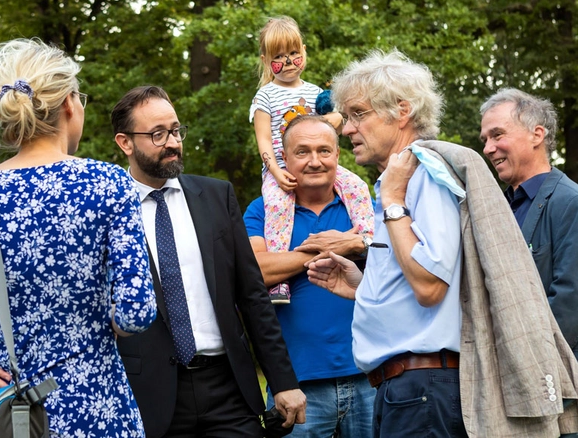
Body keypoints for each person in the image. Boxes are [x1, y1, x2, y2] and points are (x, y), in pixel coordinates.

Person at [307, 50, 578, 437]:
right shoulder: (398, 180)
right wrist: (362, 288)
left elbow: (430, 286)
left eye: (358, 114)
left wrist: (394, 205)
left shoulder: (425, 175)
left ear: (401, 111)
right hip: (406, 391)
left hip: (422, 393)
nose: (346, 129)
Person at [0, 38, 157, 436]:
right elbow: (136, 312)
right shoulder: (107, 183)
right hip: (96, 406)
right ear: (69, 105)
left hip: (4, 414)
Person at [112, 86, 306, 438]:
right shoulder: (109, 209)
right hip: (149, 397)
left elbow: (252, 297)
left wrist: (282, 381)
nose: (172, 142)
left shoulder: (217, 196)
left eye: (175, 130)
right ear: (125, 142)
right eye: (158, 134)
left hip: (228, 389)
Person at [243, 115, 375, 437]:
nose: (315, 161)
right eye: (302, 152)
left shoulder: (363, 210)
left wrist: (357, 241)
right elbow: (255, 270)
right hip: (296, 384)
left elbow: (392, 259)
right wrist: (332, 248)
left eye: (324, 151)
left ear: (337, 156)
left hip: (370, 376)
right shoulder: (261, 211)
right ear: (284, 159)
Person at [249, 15, 374, 303]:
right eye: (279, 56)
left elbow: (335, 122)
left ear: (304, 51)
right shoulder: (265, 96)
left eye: (294, 53)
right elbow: (264, 140)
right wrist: (275, 172)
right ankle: (279, 282)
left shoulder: (315, 92)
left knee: (357, 185)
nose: (289, 61)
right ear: (266, 60)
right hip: (280, 169)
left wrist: (334, 118)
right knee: (279, 207)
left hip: (316, 162)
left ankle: (369, 239)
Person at [480, 88, 578, 359]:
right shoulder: (492, 209)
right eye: (485, 139)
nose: (488, 148)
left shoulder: (570, 202)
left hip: (553, 383)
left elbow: (569, 305)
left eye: (497, 135)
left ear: (537, 135)